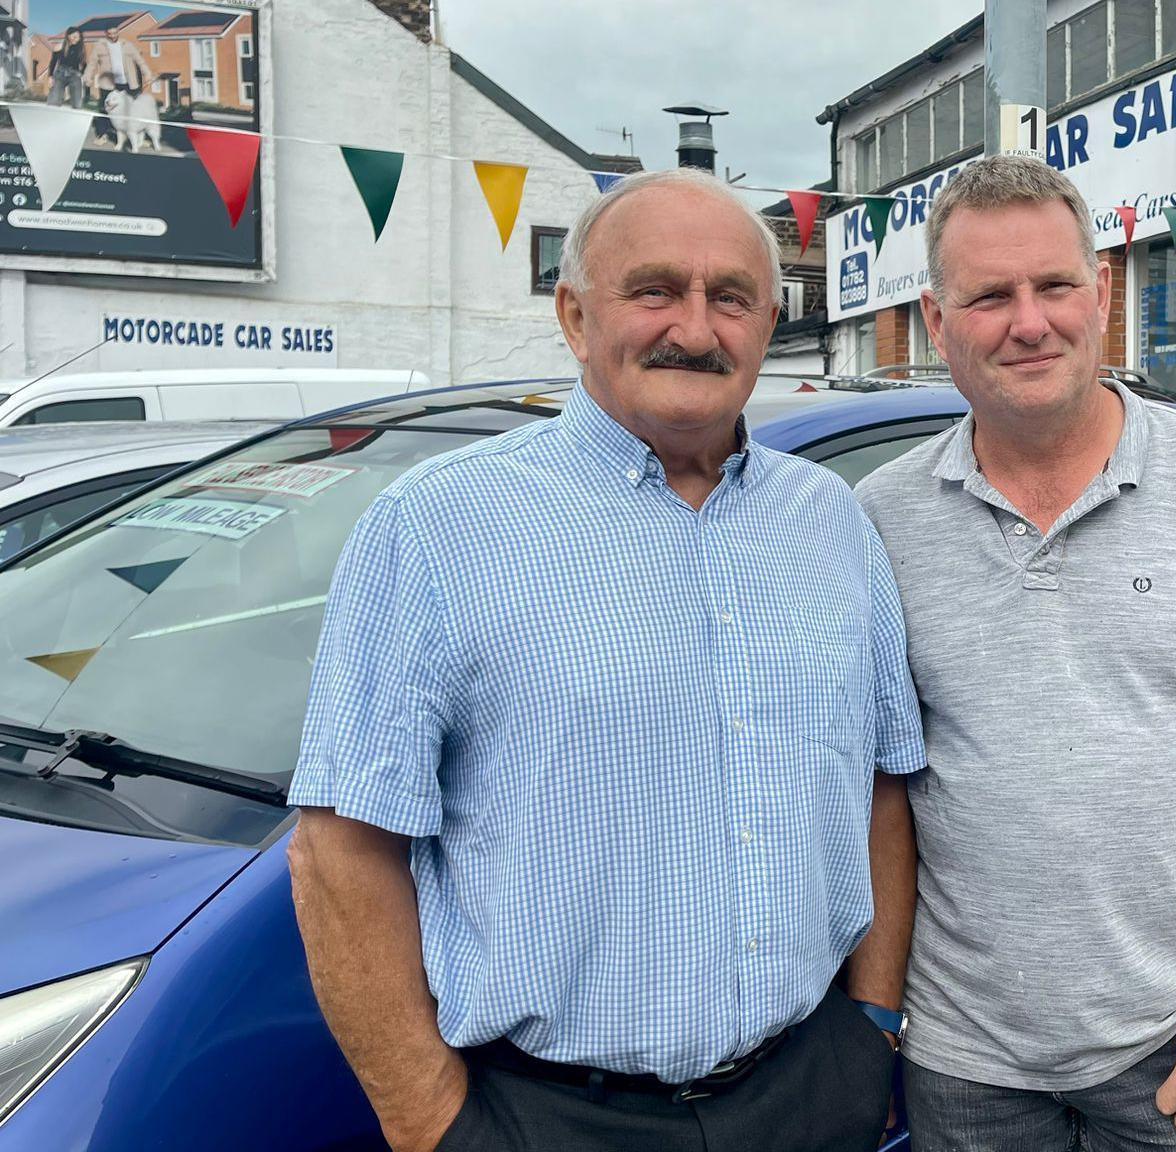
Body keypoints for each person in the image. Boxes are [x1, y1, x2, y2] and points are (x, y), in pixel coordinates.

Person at [288, 167, 924, 1152]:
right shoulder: (436, 526)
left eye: (731, 298)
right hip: (547, 1117)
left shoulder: (829, 524)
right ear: (577, 316)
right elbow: (340, 848)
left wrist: (872, 1028)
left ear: (768, 323)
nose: (696, 329)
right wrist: (430, 1124)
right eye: (654, 289)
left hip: (808, 1093)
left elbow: (883, 782)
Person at [855, 155, 1176, 1151]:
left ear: (1101, 292)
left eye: (1052, 285)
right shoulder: (880, 521)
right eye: (988, 295)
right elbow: (881, 791)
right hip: (964, 1071)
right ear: (934, 321)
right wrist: (877, 1023)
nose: (1028, 321)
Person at [46, 28, 86, 109]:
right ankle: (52, 114)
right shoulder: (59, 46)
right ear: (68, 36)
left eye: (78, 37)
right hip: (60, 73)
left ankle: (76, 116)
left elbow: (84, 63)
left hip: (74, 74)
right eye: (74, 36)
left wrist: (81, 74)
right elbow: (53, 62)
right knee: (54, 100)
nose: (76, 39)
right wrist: (50, 77)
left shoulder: (81, 48)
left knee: (77, 102)